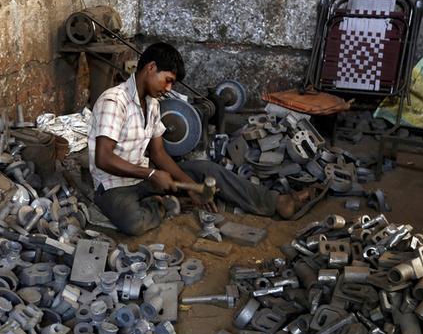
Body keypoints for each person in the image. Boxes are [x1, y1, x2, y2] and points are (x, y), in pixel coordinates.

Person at [88, 42, 296, 236]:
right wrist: (151, 173)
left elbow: (159, 153)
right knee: (133, 222)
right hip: (113, 186)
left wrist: (192, 186)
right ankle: (167, 204)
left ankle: (273, 201)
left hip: (144, 178)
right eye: (168, 80)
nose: (169, 88)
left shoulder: (151, 103)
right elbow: (104, 159)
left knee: (208, 170)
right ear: (151, 67)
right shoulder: (114, 101)